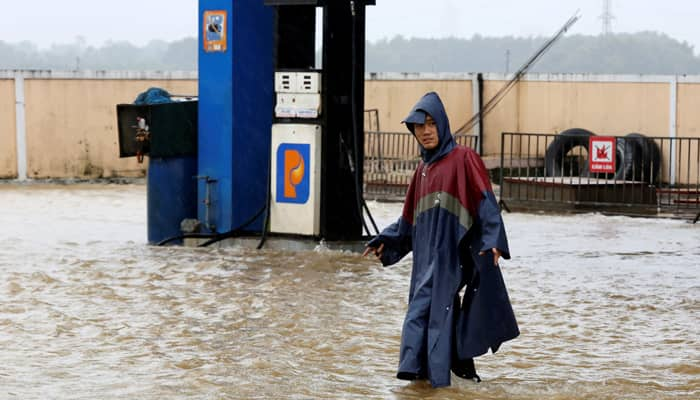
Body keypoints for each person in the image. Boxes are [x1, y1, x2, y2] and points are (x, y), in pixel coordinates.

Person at [363, 92, 519, 388]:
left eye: (432, 123)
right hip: (424, 262)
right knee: (446, 316)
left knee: (422, 314)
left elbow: (486, 201)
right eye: (419, 126)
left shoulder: (464, 159)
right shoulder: (421, 171)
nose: (426, 131)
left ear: (443, 124)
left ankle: (423, 380)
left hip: (451, 259)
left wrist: (494, 240)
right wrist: (386, 240)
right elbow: (408, 223)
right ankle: (461, 379)